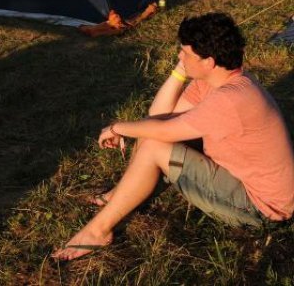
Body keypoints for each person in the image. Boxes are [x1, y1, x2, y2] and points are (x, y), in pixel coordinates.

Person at [53, 13, 294, 261]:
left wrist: (117, 128)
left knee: (154, 146)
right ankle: (121, 193)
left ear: (208, 61)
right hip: (242, 177)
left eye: (185, 53)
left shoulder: (230, 99)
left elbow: (164, 131)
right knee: (150, 134)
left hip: (261, 208)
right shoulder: (216, 80)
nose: (179, 56)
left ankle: (97, 231)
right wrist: (181, 70)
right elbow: (158, 117)